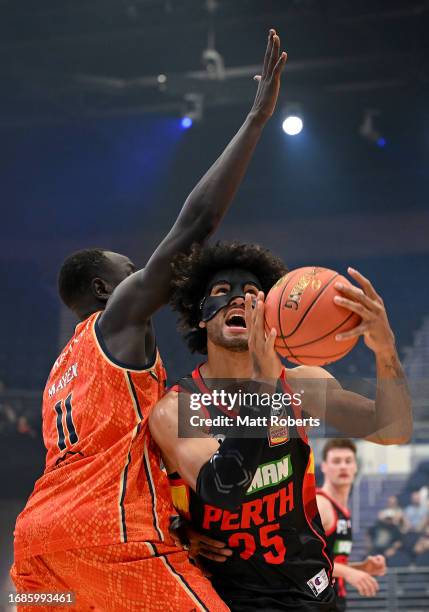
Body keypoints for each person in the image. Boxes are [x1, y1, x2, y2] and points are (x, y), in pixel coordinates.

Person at [10, 30, 288, 612]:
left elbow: (117, 455)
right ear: (103, 290)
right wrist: (256, 121)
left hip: (35, 553)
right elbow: (196, 225)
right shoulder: (116, 324)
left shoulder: (62, 372)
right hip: (107, 537)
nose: (147, 276)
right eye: (131, 270)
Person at [150, 241, 411, 611]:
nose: (239, 300)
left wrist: (386, 351)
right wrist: (263, 385)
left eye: (253, 295)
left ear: (271, 313)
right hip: (229, 598)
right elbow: (223, 488)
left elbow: (392, 429)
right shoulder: (180, 405)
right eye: (222, 293)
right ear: (201, 316)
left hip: (312, 590)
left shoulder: (303, 385)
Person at [316, 439, 386, 610]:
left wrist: (361, 567)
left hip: (334, 599)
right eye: (336, 461)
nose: (343, 467)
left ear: (356, 467)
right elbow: (304, 562)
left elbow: (327, 564)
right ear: (324, 466)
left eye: (348, 461)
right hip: (314, 601)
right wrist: (348, 572)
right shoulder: (321, 505)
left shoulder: (343, 510)